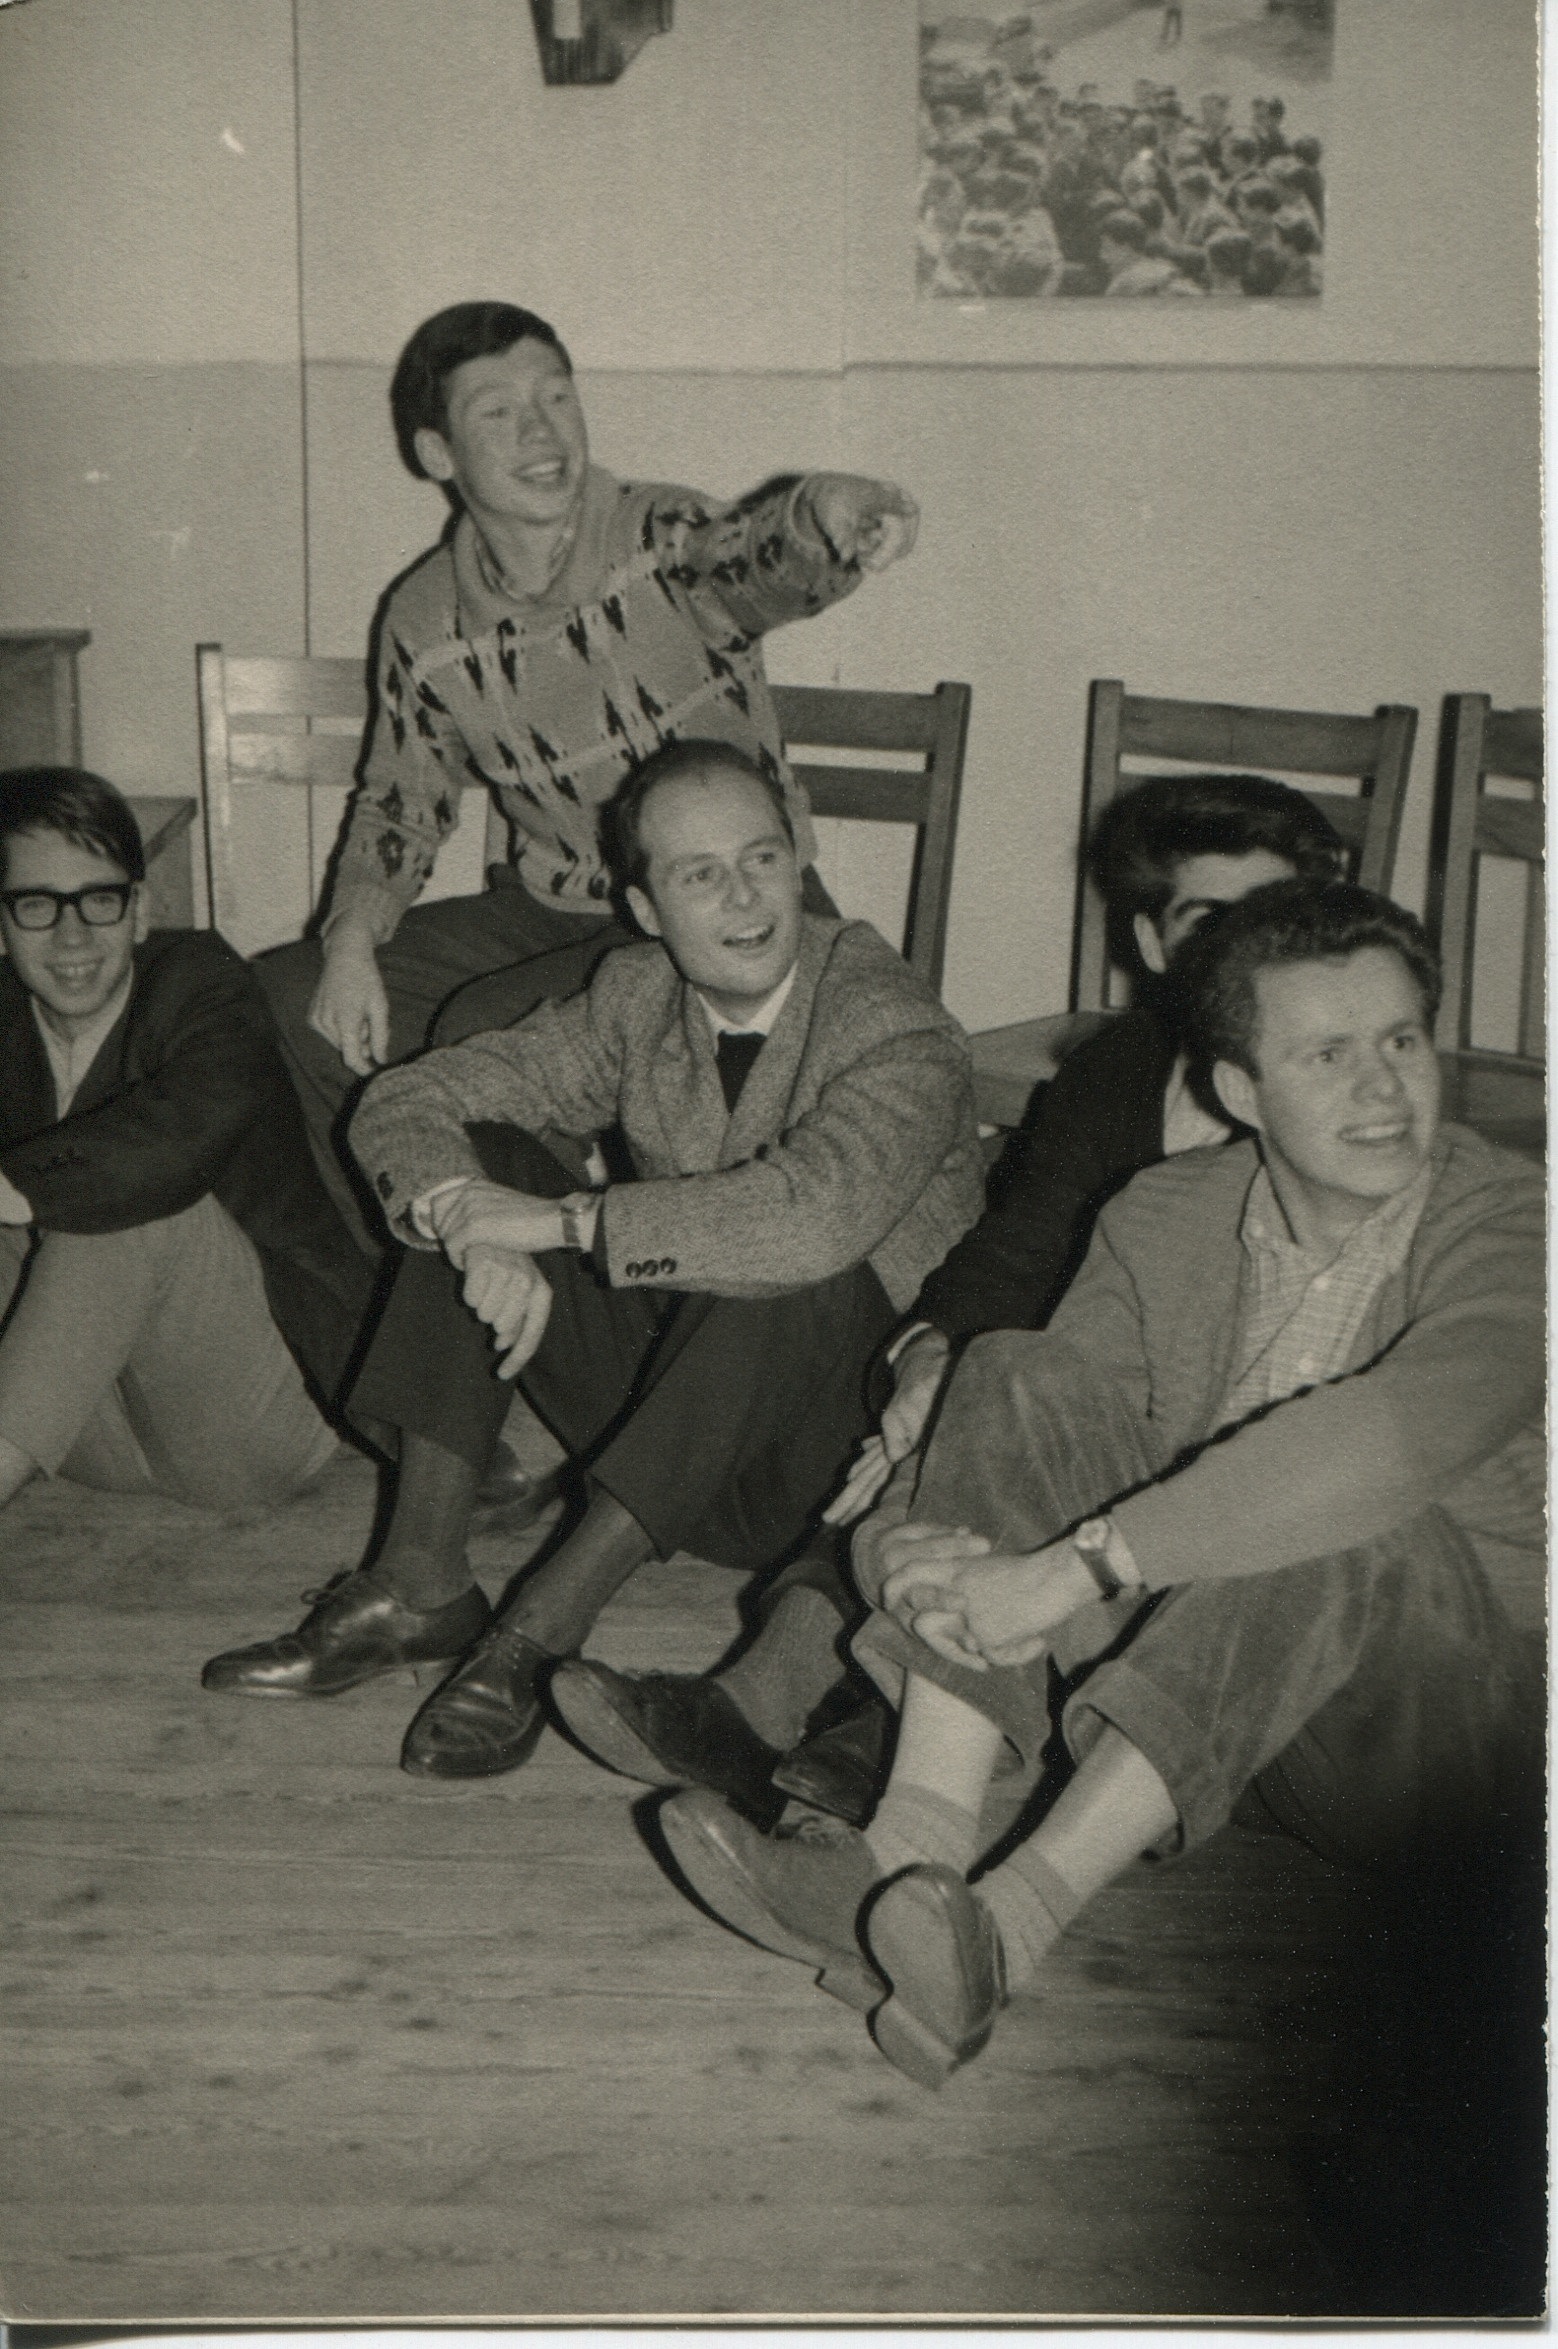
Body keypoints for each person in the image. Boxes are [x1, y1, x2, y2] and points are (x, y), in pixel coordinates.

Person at [658, 881, 1544, 2088]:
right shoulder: (1165, 1213)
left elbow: (1393, 1440)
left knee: (1329, 1503)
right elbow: (1014, 1451)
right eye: (1328, 1055)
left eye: (1401, 1043)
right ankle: (904, 1851)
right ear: (1239, 1091)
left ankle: (1009, 1926)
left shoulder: (1516, 1225)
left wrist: (1070, 1571)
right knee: (1013, 1371)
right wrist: (902, 1551)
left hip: (1449, 1749)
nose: (1383, 1090)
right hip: (1202, 1700)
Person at [555, 773, 1344, 1825]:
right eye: (1208, 922)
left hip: (1230, 1482)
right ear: (1154, 946)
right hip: (1087, 1418)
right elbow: (1016, 1245)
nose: (1243, 950)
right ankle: (797, 1712)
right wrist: (933, 1356)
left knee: (997, 1420)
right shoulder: (1120, 1070)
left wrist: (992, 1401)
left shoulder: (1340, 1103)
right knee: (957, 1397)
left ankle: (833, 1717)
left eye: (1272, 917)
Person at [203, 740, 984, 1795]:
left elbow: (812, 1220)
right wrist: (474, 1221)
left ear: (799, 862)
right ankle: (419, 1582)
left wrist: (559, 1225)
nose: (744, 898)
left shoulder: (893, 1020)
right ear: (645, 909)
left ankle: (536, 1632)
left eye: (762, 859)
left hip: (825, 1471)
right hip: (665, 1426)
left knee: (787, 1266)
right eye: (699, 874)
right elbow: (411, 1096)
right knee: (475, 1166)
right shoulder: (638, 994)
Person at [255, 301, 920, 1251]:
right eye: (497, 412)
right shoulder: (423, 617)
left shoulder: (660, 538)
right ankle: (402, 1272)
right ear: (437, 453)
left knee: (486, 1027)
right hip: (558, 908)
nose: (541, 432)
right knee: (294, 995)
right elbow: (402, 802)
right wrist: (353, 937)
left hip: (723, 899)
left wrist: (830, 512)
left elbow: (759, 555)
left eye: (556, 398)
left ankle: (571, 1279)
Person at [0, 767, 375, 1524]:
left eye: (100, 900)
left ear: (141, 911)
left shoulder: (203, 981)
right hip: (86, 1436)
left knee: (126, 1202)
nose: (72, 937)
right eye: (36, 905)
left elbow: (176, 1140)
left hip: (249, 1423)